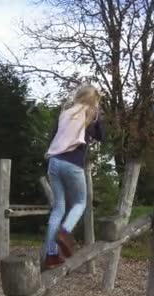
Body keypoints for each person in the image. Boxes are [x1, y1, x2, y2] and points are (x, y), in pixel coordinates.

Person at [43, 85, 104, 269]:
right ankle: (65, 231)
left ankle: (51, 254)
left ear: (78, 96)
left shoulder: (65, 114)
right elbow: (101, 137)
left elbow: (53, 136)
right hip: (72, 164)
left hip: (54, 162)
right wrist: (98, 115)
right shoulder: (90, 114)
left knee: (58, 208)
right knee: (80, 203)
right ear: (94, 100)